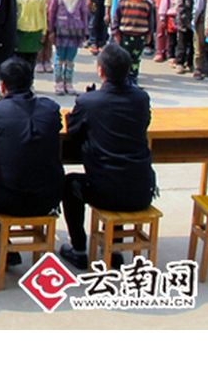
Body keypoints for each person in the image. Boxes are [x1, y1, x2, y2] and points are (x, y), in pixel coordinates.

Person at [59, 43, 156, 270]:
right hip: (142, 190)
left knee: (69, 184)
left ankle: (79, 248)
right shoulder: (141, 98)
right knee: (122, 174)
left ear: (100, 71)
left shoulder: (89, 102)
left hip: (105, 193)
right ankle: (115, 249)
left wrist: (86, 104)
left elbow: (73, 129)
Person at [0, 57, 64, 261]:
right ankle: (2, 246)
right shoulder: (50, 109)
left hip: (9, 200)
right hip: (50, 198)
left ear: (2, 85)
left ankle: (1, 245)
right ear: (31, 82)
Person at [48, 0, 89, 95]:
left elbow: (84, 15)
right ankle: (59, 82)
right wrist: (51, 30)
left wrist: (85, 32)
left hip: (75, 33)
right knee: (60, 57)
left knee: (70, 58)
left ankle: (68, 82)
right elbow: (52, 13)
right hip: (61, 32)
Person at [112, 0, 155, 83]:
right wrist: (115, 32)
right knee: (124, 58)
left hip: (140, 36)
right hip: (125, 34)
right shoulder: (122, 0)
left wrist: (149, 34)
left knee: (136, 58)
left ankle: (133, 79)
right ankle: (123, 79)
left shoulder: (147, 2)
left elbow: (150, 20)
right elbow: (116, 17)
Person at [15, 0, 47, 76]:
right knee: (19, 61)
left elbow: (43, 14)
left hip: (35, 32)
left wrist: (44, 32)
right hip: (20, 31)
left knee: (31, 60)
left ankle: (29, 81)